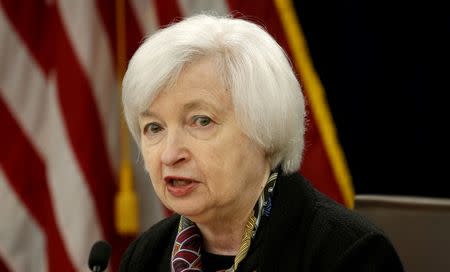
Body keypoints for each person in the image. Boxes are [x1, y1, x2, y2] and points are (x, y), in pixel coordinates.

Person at [119, 14, 403, 272]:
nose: (170, 154)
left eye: (201, 121)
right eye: (154, 127)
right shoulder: (146, 256)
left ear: (264, 129)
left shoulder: (348, 254)